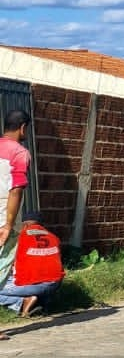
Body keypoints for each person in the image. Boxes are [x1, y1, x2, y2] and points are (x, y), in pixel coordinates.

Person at [0, 109, 60, 318]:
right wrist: (8, 224)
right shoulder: (20, 153)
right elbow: (16, 189)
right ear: (23, 127)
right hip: (3, 220)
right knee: (1, 269)